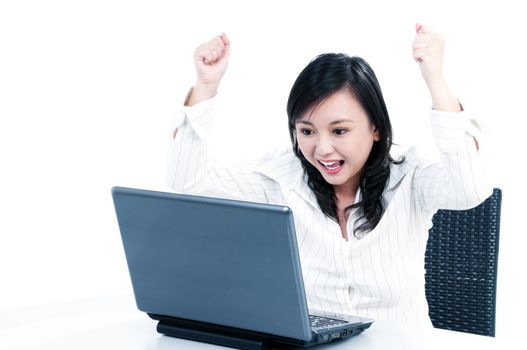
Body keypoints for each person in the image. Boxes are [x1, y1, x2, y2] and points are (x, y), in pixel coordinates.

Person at [166, 25, 492, 326]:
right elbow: (188, 181)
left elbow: (470, 190)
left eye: (339, 130)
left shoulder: (410, 175)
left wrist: (435, 79)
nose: (322, 149)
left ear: (375, 128)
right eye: (307, 131)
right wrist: (206, 86)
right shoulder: (281, 178)